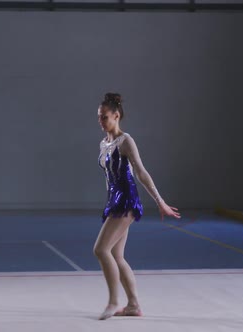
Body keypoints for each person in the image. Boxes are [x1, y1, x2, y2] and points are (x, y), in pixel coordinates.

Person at [95, 92, 181, 320]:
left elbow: (141, 172)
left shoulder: (125, 141)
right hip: (114, 201)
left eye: (104, 117)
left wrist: (159, 201)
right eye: (98, 117)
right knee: (116, 254)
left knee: (101, 250)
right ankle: (133, 304)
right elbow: (109, 177)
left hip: (126, 201)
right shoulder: (104, 143)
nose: (100, 121)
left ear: (117, 116)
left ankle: (114, 301)